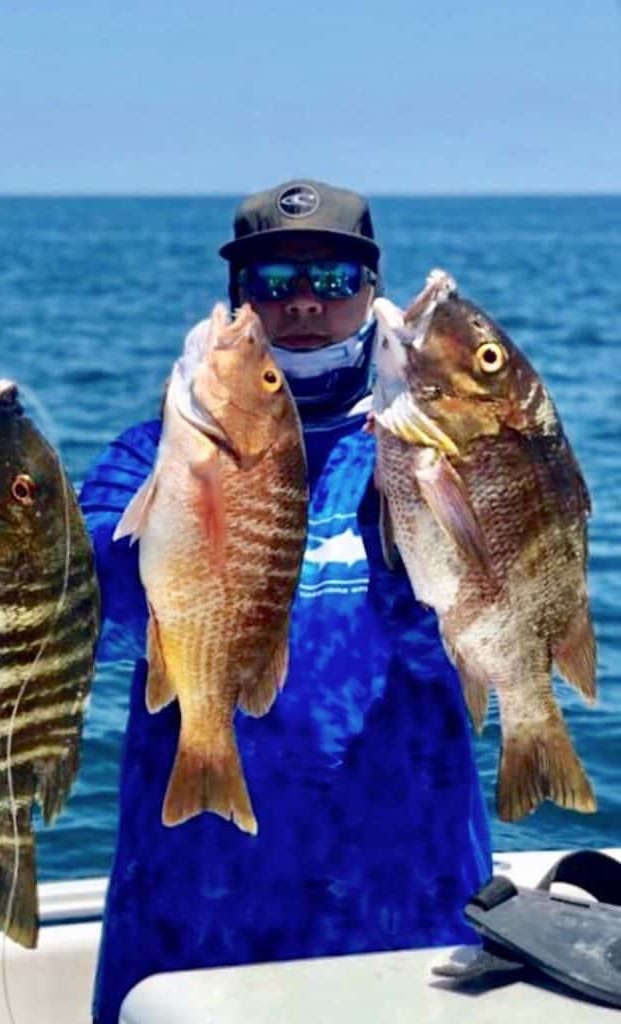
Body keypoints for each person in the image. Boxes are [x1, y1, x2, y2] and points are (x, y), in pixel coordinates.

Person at [81, 179, 492, 1023]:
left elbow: (476, 638)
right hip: (194, 914)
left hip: (405, 902)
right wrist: (180, 481)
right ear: (238, 301)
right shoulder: (148, 457)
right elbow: (101, 623)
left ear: (373, 291)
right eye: (271, 282)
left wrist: (429, 502)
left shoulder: (441, 454)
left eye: (333, 279)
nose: (303, 301)